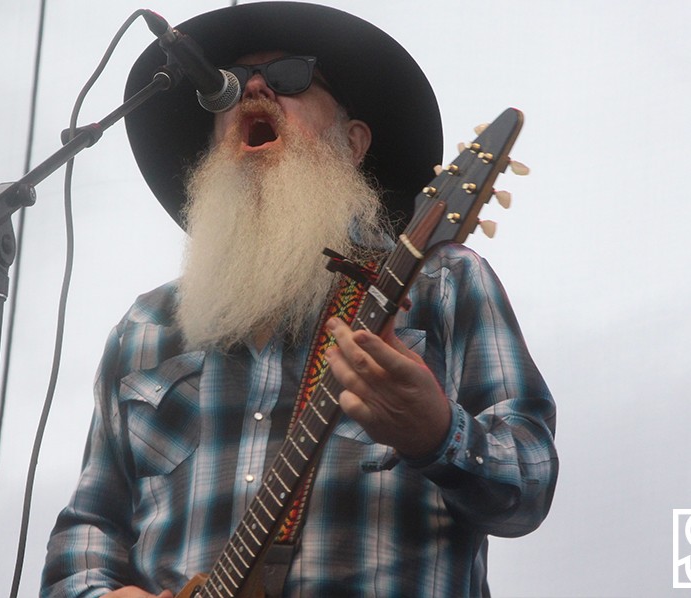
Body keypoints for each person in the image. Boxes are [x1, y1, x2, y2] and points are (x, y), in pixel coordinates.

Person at [41, 3, 558, 597]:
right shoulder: (148, 329)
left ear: (352, 142)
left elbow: (530, 479)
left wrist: (437, 434)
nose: (254, 89)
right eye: (233, 81)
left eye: (290, 77)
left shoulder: (440, 282)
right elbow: (86, 536)